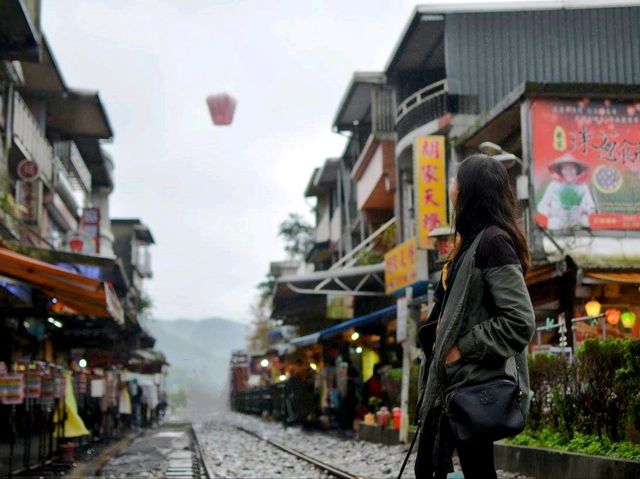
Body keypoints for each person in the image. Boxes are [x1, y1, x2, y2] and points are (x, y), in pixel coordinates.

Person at [414, 154, 536, 479]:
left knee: (447, 469)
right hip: (451, 384)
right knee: (445, 468)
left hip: (470, 384)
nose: (451, 189)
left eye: (456, 181)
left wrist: (463, 348)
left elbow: (519, 321)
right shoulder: (469, 245)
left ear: (470, 191)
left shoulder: (493, 243)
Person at [535, 153, 595, 230]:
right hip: (557, 228)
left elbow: (592, 208)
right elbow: (541, 206)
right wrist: (554, 212)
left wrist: (582, 209)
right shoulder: (554, 185)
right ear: (560, 171)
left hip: (579, 227)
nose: (569, 172)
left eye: (572, 168)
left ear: (577, 170)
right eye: (565, 169)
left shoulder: (582, 186)